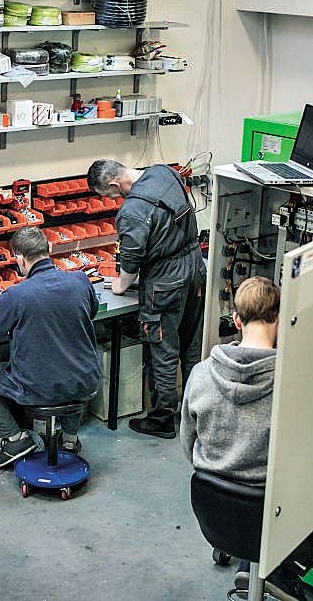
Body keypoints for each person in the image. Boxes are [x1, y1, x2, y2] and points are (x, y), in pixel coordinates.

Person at [181, 276, 313, 601]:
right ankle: (287, 567)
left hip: (212, 506)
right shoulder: (294, 382)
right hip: (273, 512)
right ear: (280, 318)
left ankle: (249, 565)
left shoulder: (201, 374)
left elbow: (188, 442)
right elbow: (311, 455)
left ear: (237, 320)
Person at [0, 227, 102, 469]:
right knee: (70, 368)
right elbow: (91, 312)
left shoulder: (17, 295)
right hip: (87, 380)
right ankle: (70, 440)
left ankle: (13, 438)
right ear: (49, 249)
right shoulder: (80, 280)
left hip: (37, 388)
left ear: (19, 259)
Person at [87, 159, 205, 439]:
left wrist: (120, 285)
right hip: (195, 268)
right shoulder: (165, 172)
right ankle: (195, 413)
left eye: (109, 195)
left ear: (114, 183)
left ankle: (162, 419)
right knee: (192, 346)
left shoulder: (132, 210)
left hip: (165, 282)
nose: (113, 200)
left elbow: (131, 259)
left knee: (162, 351)